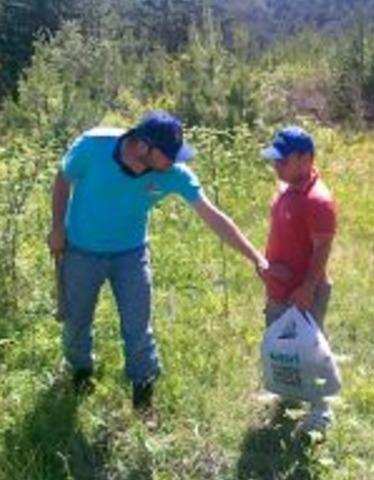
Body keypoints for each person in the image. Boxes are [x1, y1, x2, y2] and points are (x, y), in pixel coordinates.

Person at [47, 111, 269, 410]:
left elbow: (212, 216)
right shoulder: (92, 146)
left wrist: (255, 256)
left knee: (138, 326)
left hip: (131, 254)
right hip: (81, 251)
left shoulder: (174, 173)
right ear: (142, 147)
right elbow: (63, 177)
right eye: (169, 155)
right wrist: (58, 227)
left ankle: (143, 394)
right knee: (76, 321)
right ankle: (81, 373)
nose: (175, 161)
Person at [260, 126, 338, 433]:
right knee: (283, 347)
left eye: (283, 160)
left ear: (305, 158)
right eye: (274, 159)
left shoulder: (318, 200)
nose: (276, 165)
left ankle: (321, 409)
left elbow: (323, 248)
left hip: (303, 292)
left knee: (309, 349)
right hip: (279, 289)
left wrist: (307, 287)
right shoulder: (285, 189)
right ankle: (288, 397)